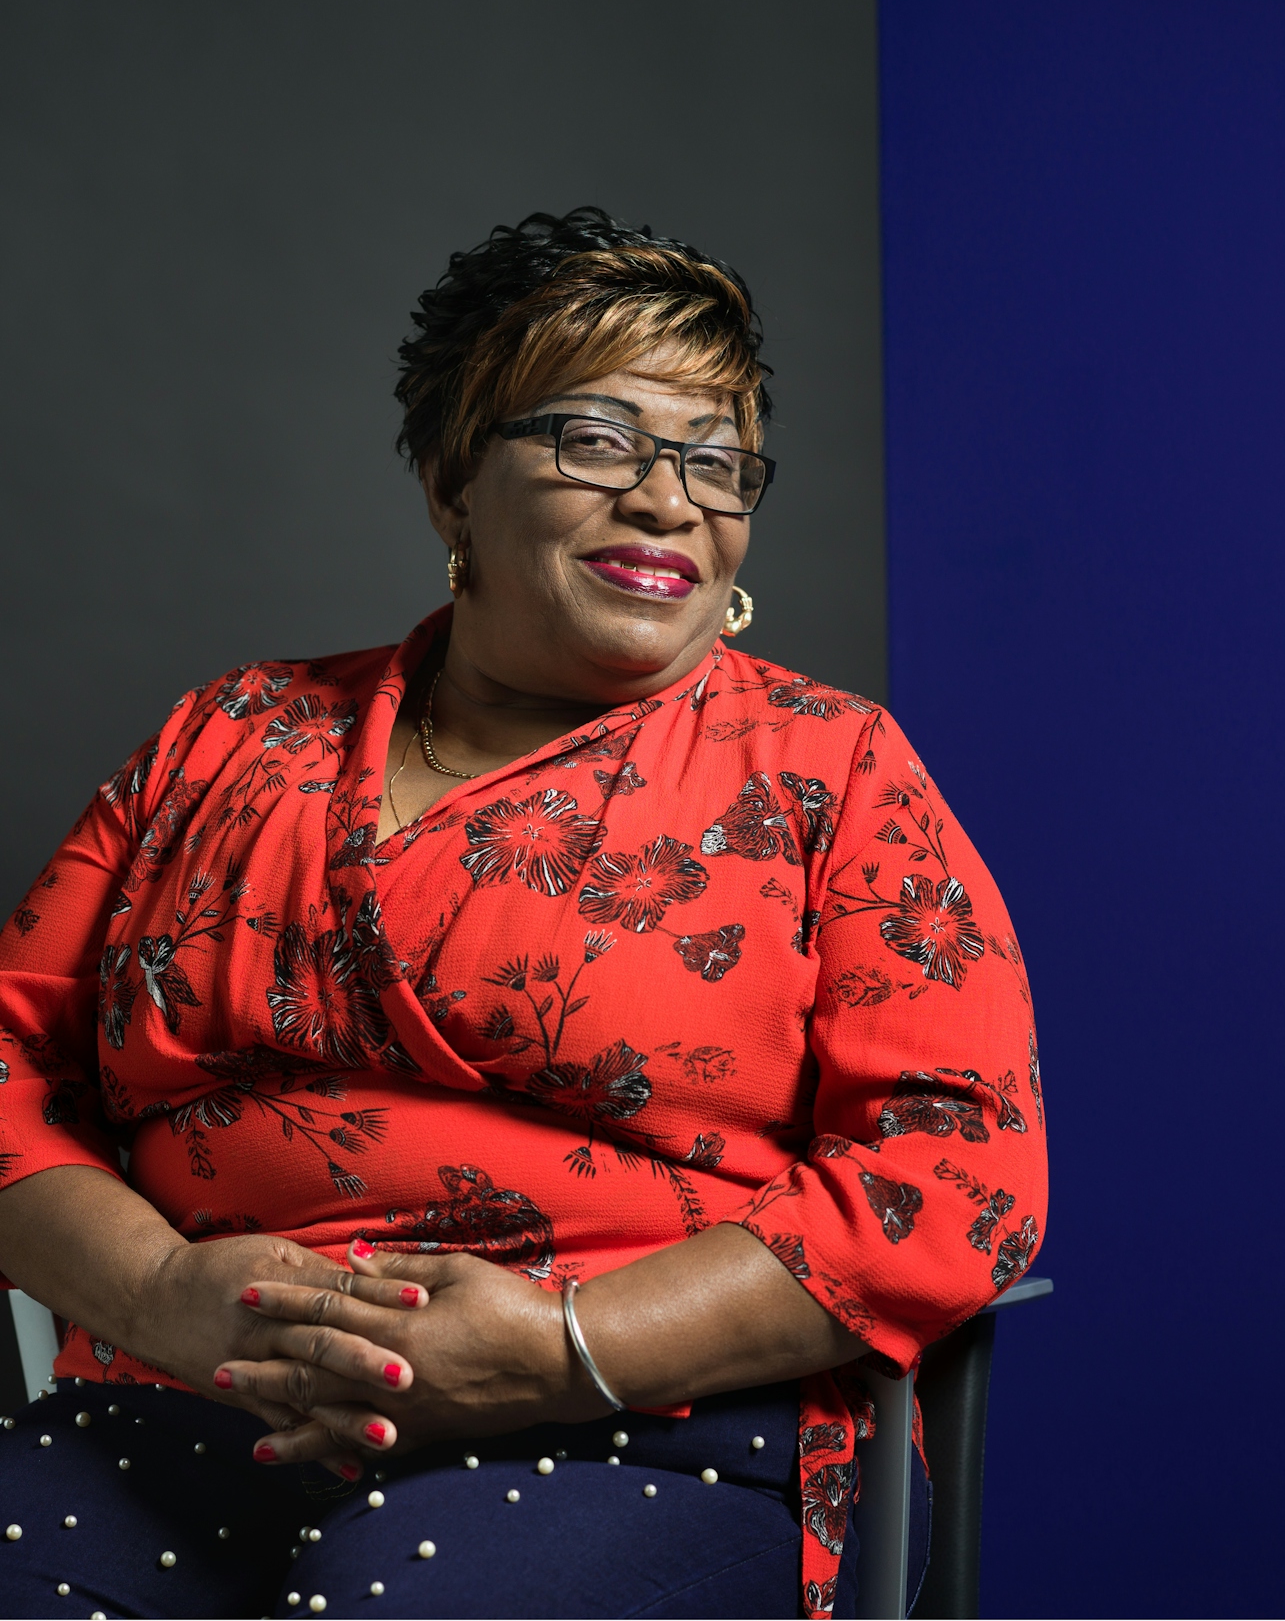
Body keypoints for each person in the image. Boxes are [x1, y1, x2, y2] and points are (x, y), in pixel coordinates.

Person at [0, 207, 1046, 1620]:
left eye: (713, 459)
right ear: (450, 483)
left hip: (651, 1429)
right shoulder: (230, 733)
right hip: (187, 1396)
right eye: (596, 440)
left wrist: (561, 1347)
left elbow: (957, 1177)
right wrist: (158, 1297)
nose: (667, 499)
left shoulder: (827, 768)